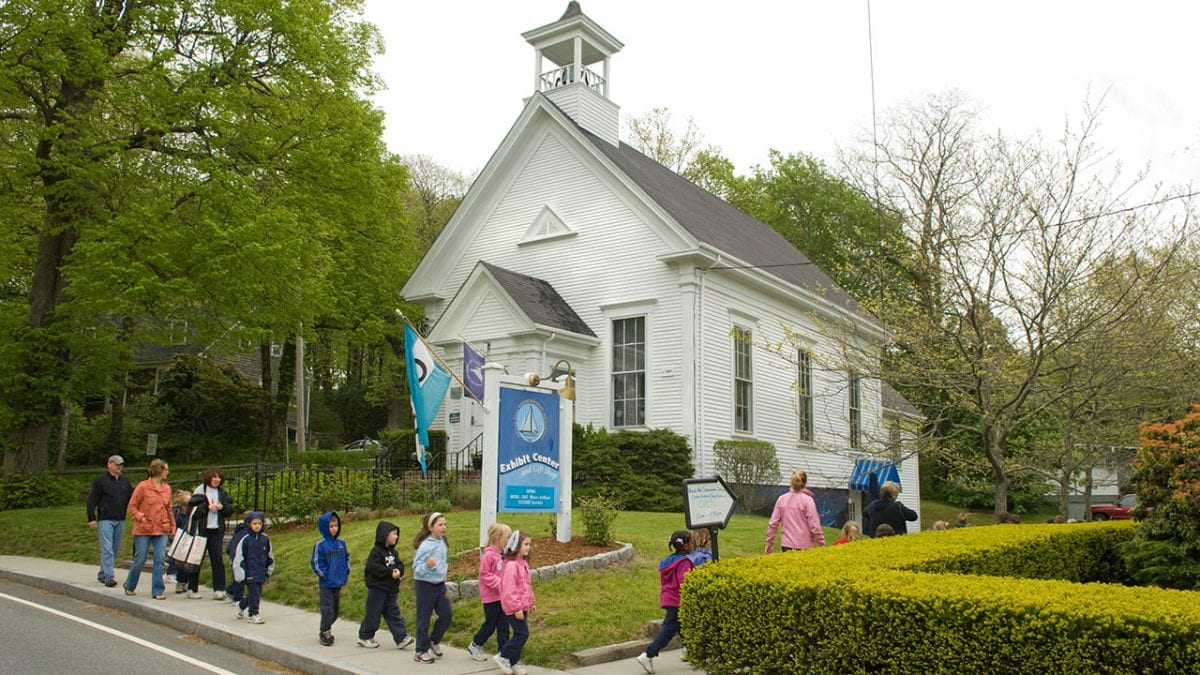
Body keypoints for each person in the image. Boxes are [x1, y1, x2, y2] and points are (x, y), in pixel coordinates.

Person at [637, 530, 694, 675]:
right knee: (668, 630)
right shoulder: (684, 562)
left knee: (683, 626)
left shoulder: (668, 561)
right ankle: (648, 654)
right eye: (691, 542)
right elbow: (684, 581)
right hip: (678, 600)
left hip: (668, 598)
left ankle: (692, 652)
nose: (692, 545)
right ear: (686, 545)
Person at [357, 521, 414, 650]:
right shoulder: (376, 552)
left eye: (397, 534)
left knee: (393, 614)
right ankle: (364, 636)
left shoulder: (394, 552)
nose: (396, 537)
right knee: (373, 614)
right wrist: (389, 572)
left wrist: (399, 570)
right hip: (377, 589)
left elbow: (399, 564)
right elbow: (374, 568)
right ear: (384, 535)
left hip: (391, 590)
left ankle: (401, 638)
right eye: (393, 534)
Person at [123, 459, 173, 599]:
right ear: (159, 470)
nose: (168, 472)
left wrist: (172, 526)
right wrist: (140, 516)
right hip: (144, 529)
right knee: (141, 558)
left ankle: (158, 590)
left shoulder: (167, 488)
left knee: (159, 559)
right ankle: (130, 584)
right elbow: (132, 506)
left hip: (161, 529)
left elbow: (169, 509)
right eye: (166, 469)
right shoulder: (143, 487)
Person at [184, 467, 234, 599]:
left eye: (219, 477)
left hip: (216, 530)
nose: (216, 479)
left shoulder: (222, 493)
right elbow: (192, 512)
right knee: (197, 559)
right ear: (208, 478)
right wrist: (207, 507)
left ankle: (219, 589)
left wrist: (222, 507)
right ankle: (192, 588)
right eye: (214, 477)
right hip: (201, 530)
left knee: (217, 559)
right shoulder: (200, 491)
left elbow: (230, 509)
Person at [467, 521, 512, 661]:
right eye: (507, 537)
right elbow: (485, 575)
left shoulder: (503, 555)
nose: (509, 540)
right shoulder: (488, 556)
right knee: (490, 624)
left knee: (504, 625)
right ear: (498, 538)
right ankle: (476, 644)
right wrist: (500, 583)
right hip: (491, 598)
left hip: (502, 597)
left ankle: (503, 653)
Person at [87, 454, 133, 588]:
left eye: (121, 465)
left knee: (115, 548)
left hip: (120, 518)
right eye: (117, 464)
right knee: (107, 548)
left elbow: (131, 499)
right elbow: (92, 500)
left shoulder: (125, 482)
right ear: (109, 465)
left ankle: (102, 573)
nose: (119, 467)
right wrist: (91, 517)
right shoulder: (101, 481)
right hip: (105, 518)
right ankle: (109, 576)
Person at [412, 512, 451, 665]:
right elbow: (416, 568)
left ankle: (434, 640)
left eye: (445, 524)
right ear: (430, 527)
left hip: (439, 585)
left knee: (446, 614)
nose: (444, 527)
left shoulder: (442, 542)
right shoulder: (425, 546)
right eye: (440, 525)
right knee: (424, 619)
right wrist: (426, 566)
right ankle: (420, 650)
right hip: (424, 585)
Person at [495, 530, 535, 675]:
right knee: (522, 634)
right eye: (525, 544)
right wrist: (516, 608)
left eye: (529, 544)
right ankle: (503, 656)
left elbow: (526, 585)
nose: (528, 547)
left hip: (522, 605)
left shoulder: (522, 563)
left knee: (519, 633)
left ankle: (513, 662)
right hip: (514, 607)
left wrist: (531, 601)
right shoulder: (512, 565)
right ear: (516, 545)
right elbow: (508, 590)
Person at [311, 511, 350, 647]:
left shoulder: (341, 543)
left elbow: (346, 559)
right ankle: (325, 631)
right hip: (326, 584)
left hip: (338, 582)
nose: (334, 529)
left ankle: (327, 626)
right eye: (331, 526)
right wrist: (325, 575)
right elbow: (317, 563)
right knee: (327, 609)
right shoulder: (320, 545)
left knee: (335, 611)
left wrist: (345, 572)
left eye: (336, 526)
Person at [764, 469, 826, 553]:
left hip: (786, 545)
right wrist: (821, 543)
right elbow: (814, 526)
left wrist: (769, 544)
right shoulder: (808, 500)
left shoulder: (781, 499)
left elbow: (773, 524)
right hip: (805, 546)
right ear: (805, 483)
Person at [232, 511, 273, 624]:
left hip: (261, 571)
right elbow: (239, 557)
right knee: (255, 593)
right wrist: (240, 573)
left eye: (259, 523)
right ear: (249, 524)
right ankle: (253, 614)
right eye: (254, 523)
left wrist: (269, 569)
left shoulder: (265, 539)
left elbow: (270, 555)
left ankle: (241, 605)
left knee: (255, 593)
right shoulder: (245, 539)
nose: (257, 526)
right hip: (249, 571)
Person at [166, 489, 191, 592]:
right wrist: (172, 535)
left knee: (188, 562)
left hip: (190, 539)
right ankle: (178, 580)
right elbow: (174, 525)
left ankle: (186, 582)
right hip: (179, 539)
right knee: (179, 561)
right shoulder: (177, 513)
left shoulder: (192, 514)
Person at [225, 513, 252, 607]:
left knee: (239, 578)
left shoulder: (240, 531)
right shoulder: (246, 533)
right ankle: (237, 598)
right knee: (240, 578)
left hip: (235, 557)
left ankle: (230, 590)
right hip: (239, 558)